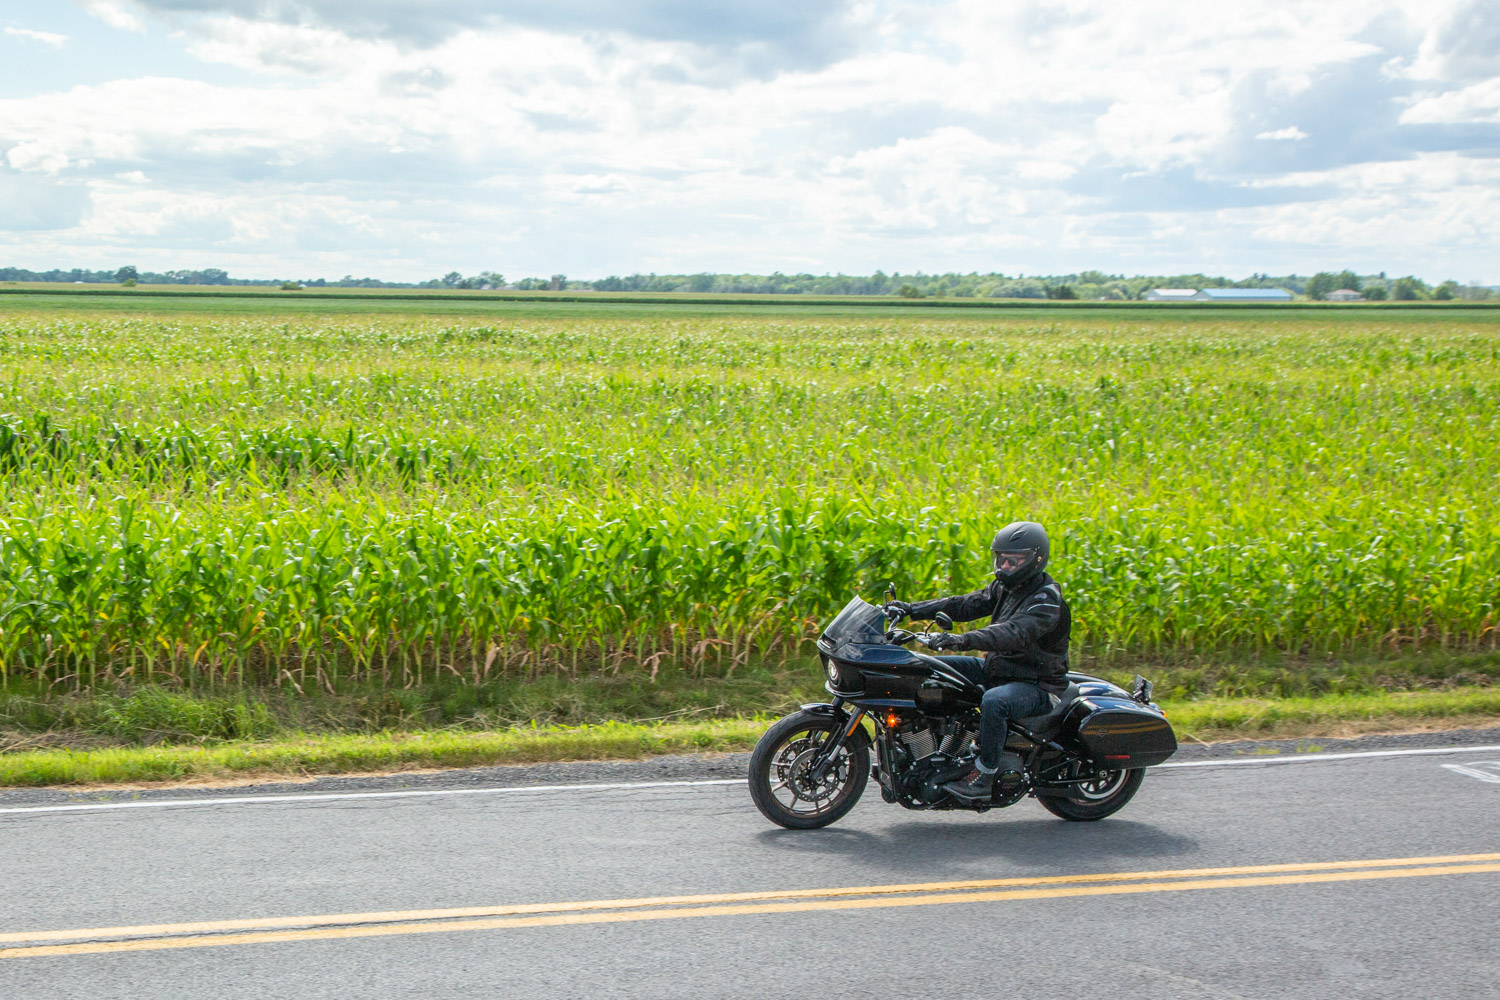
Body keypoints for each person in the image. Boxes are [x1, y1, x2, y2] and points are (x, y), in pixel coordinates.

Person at [885, 521, 1070, 801]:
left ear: (1036, 559)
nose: (1004, 566)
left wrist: (961, 640)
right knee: (925, 667)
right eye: (1001, 559)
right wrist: (912, 610)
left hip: (1038, 685)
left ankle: (985, 774)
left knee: (995, 702)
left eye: (1013, 560)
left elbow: (1013, 633)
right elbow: (964, 604)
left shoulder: (1046, 600)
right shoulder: (1006, 587)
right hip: (999, 670)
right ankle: (930, 750)